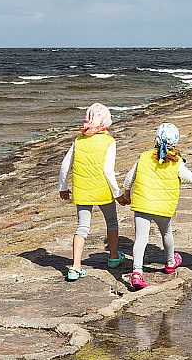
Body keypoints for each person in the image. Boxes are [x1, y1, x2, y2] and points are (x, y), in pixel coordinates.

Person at [123, 123, 192, 290]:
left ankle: (137, 272)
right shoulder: (176, 162)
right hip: (163, 207)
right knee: (167, 234)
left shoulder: (144, 157)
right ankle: (170, 262)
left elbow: (129, 178)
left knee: (141, 239)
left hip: (143, 205)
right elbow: (190, 178)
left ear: (156, 139)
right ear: (175, 143)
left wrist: (126, 195)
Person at [58, 103, 128, 281]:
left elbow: (65, 165)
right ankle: (113, 256)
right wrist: (118, 193)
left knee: (82, 227)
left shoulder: (78, 141)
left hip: (82, 191)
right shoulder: (109, 142)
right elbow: (108, 171)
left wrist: (63, 187)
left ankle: (75, 267)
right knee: (111, 222)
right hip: (103, 191)